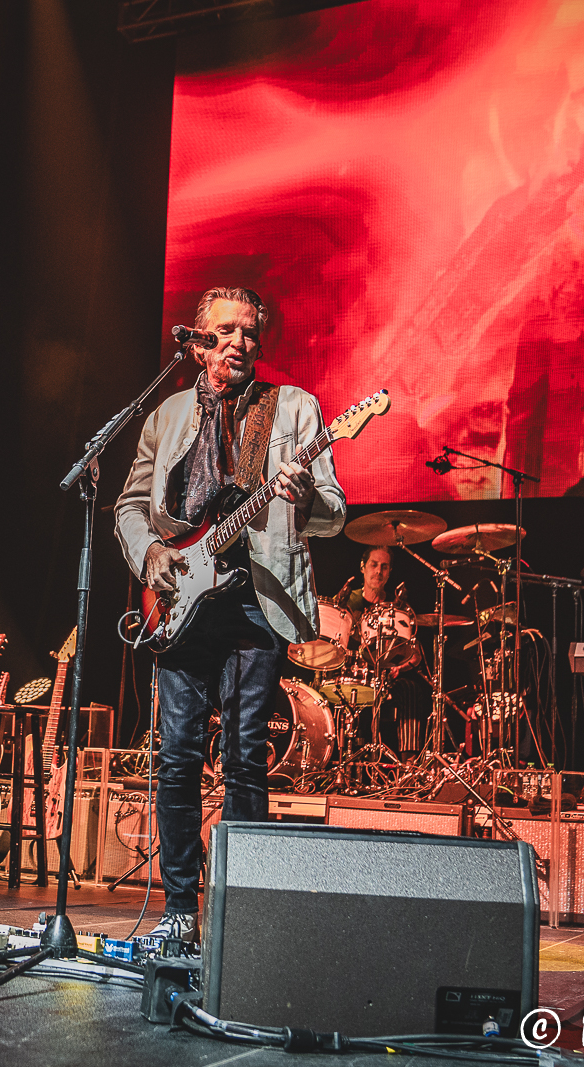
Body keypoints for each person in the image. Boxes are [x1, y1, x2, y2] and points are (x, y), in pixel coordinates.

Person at [116, 287, 346, 941]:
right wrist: (152, 554)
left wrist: (304, 499)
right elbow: (131, 508)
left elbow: (334, 508)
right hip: (180, 599)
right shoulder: (164, 417)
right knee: (178, 756)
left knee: (246, 755)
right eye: (226, 331)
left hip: (255, 598)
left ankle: (241, 914)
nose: (241, 342)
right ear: (196, 342)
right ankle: (179, 912)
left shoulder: (293, 408)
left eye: (251, 332)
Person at [335, 546, 421, 754]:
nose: (378, 571)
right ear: (363, 567)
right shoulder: (347, 602)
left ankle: (407, 761)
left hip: (386, 677)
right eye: (374, 565)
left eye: (384, 567)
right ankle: (335, 757)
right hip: (351, 672)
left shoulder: (396, 607)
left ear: (390, 572)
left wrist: (400, 668)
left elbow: (415, 655)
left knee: (410, 688)